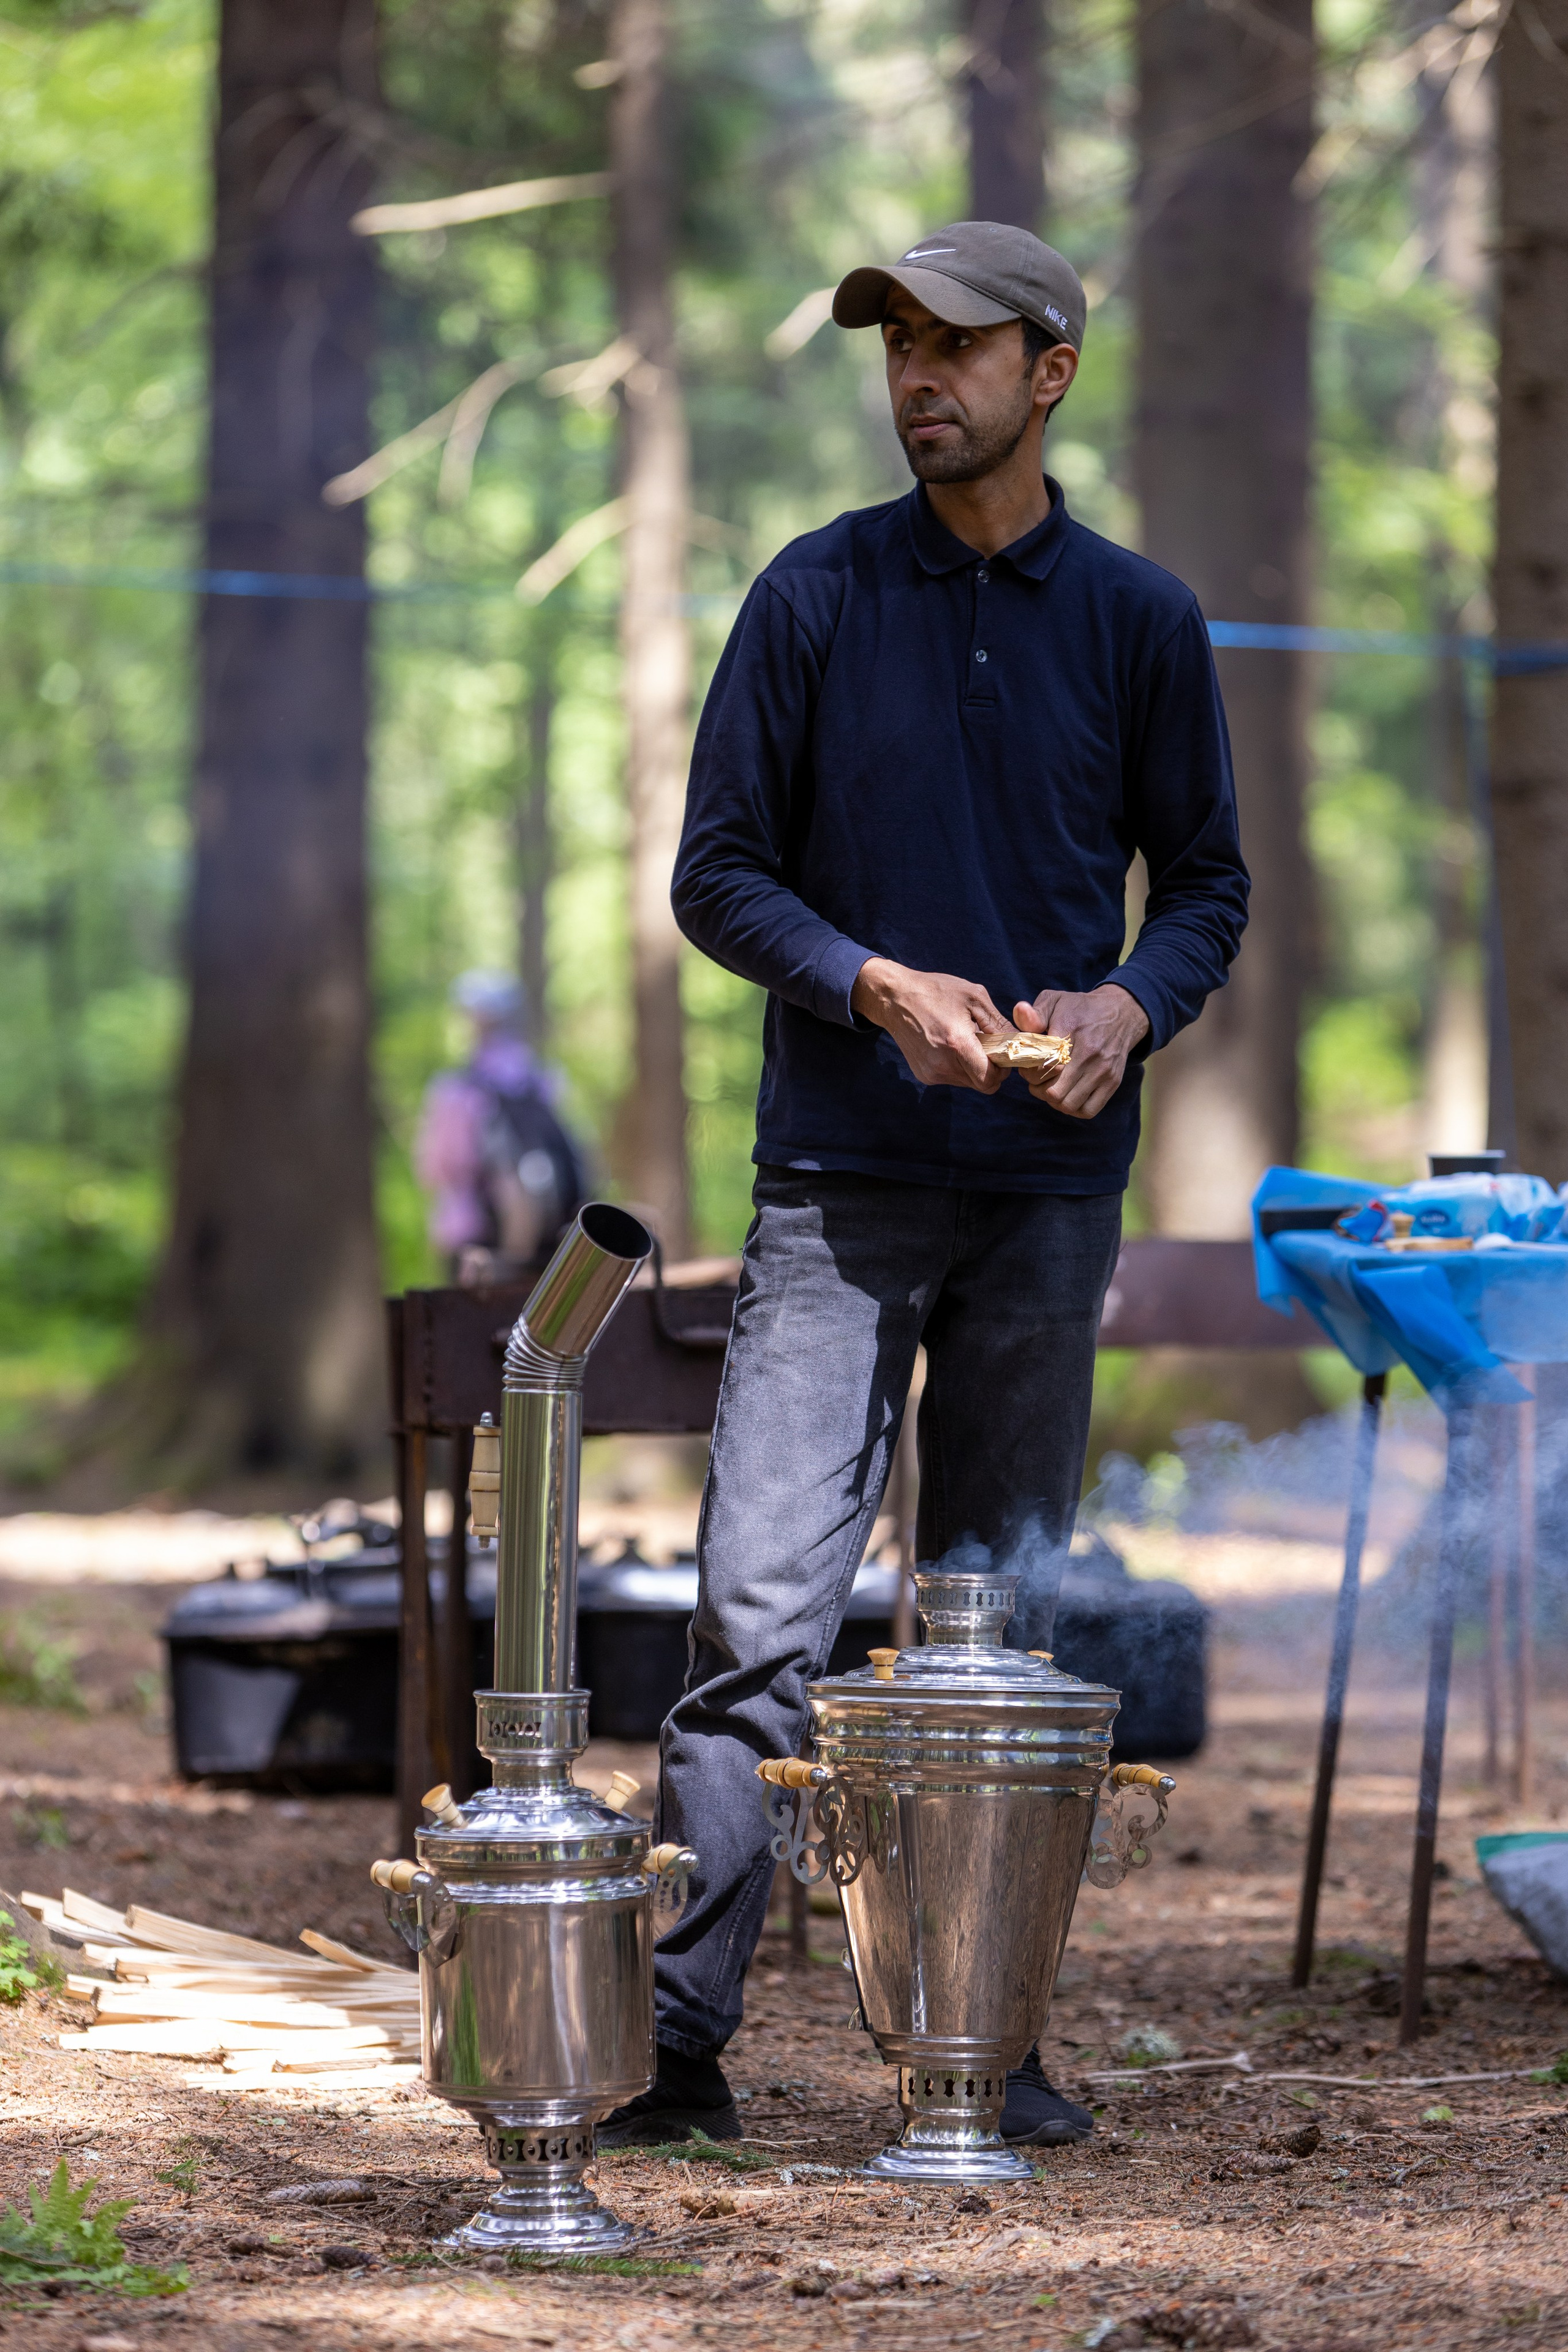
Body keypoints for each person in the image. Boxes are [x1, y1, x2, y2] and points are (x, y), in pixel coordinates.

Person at [601, 222, 1249, 2150]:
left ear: (1048, 372)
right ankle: (675, 2041)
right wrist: (867, 981)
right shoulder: (807, 598)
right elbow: (718, 874)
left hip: (1047, 1191)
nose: (916, 378)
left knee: (991, 1631)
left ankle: (981, 2042)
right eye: (895, 346)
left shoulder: (1139, 619)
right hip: (833, 1179)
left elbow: (1204, 883)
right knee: (756, 1613)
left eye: (957, 347)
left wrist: (1131, 1004)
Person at [413, 970, 585, 1283]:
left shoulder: (456, 1090)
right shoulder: (544, 1080)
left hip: (473, 1243)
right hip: (548, 1246)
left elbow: (437, 1169)